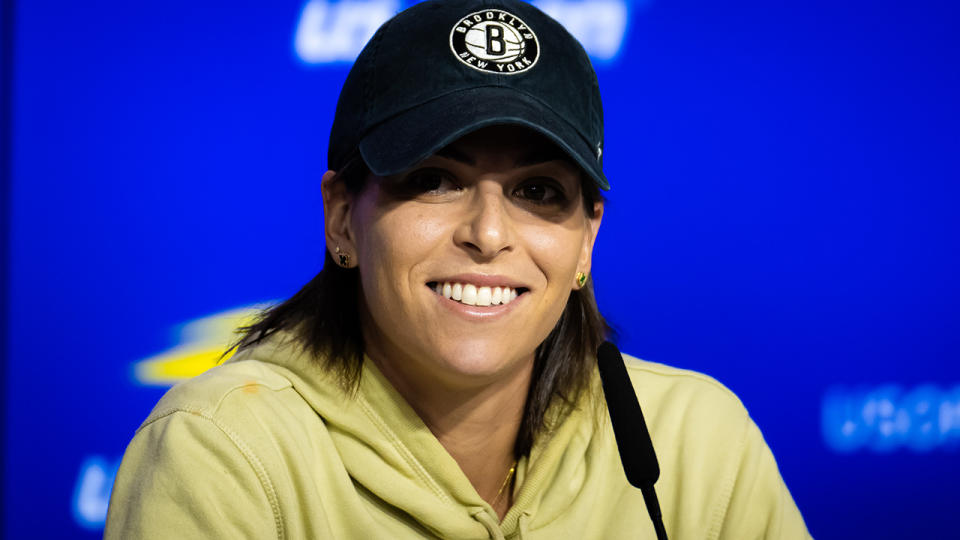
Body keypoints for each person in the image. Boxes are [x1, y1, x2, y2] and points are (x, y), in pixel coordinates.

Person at [105, 0, 811, 538]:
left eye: (539, 191)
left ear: (586, 242)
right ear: (342, 217)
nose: (489, 234)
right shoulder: (224, 450)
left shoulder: (694, 440)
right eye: (435, 180)